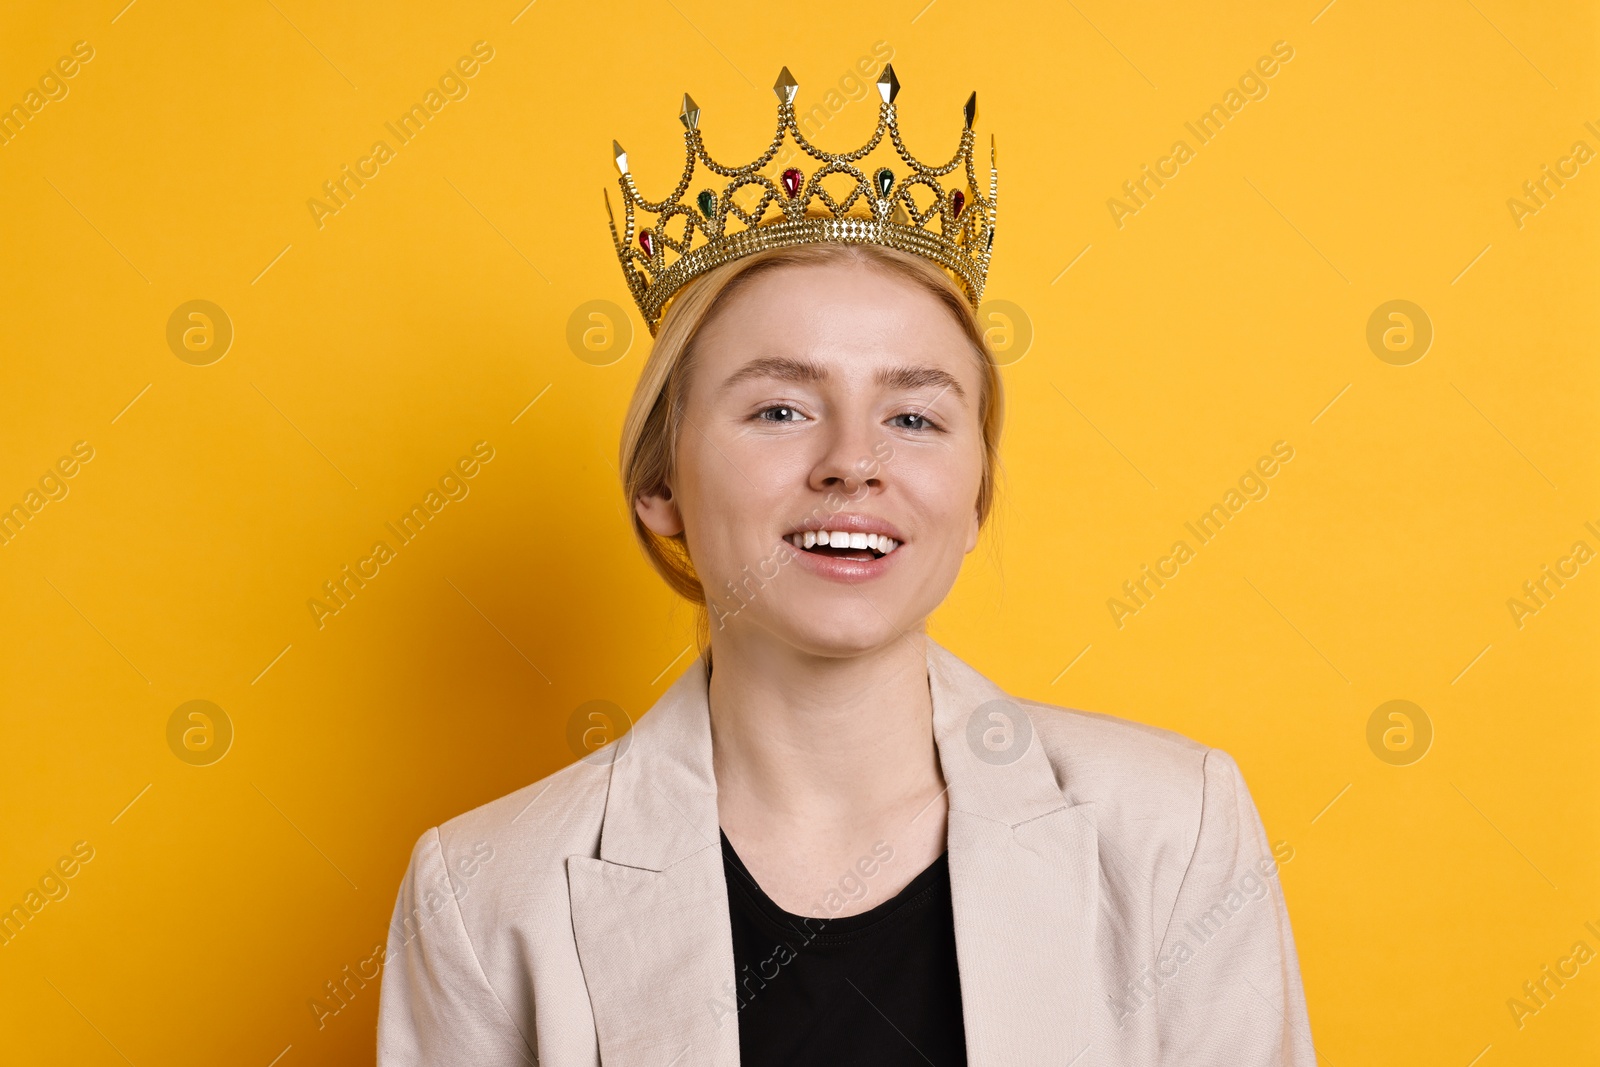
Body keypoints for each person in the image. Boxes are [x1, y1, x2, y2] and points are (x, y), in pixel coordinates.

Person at [377, 65, 1315, 1066]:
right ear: (662, 484)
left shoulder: (1174, 830)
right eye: (780, 408)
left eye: (913, 416)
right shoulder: (485, 891)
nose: (853, 462)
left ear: (974, 499)